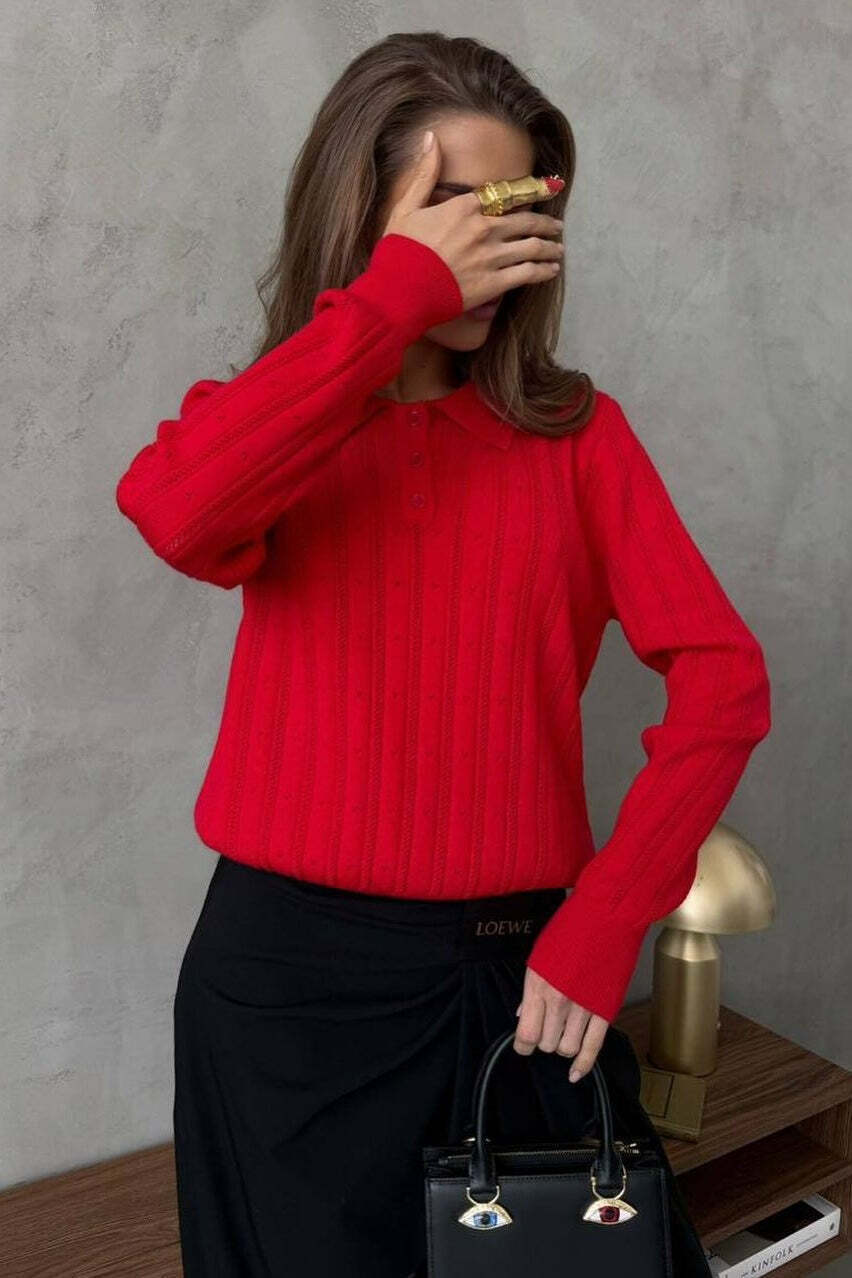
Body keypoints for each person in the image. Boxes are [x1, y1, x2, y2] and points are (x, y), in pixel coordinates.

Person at [114, 31, 771, 1278]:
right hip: (286, 994)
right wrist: (393, 302)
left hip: (524, 983)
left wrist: (604, 920)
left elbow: (724, 684)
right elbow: (174, 514)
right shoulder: (268, 425)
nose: (489, 241)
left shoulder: (578, 438)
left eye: (516, 207)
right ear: (361, 208)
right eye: (454, 204)